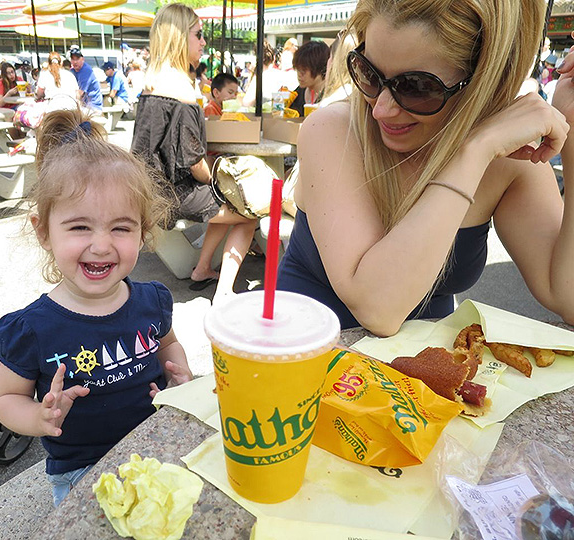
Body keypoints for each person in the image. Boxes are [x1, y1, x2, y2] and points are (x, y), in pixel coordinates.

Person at [277, 0, 574, 336]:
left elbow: (566, 294)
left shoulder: (506, 154)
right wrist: (473, 152)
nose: (381, 110)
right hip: (301, 362)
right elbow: (378, 308)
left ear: (482, 83)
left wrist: (572, 129)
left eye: (416, 88)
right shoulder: (332, 130)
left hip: (420, 379)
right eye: (369, 73)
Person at [0, 107, 193, 506]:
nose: (101, 245)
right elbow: (5, 400)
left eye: (121, 227)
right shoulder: (33, 329)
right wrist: (39, 419)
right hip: (82, 469)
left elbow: (167, 345)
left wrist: (180, 373)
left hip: (155, 445)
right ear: (44, 231)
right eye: (80, 226)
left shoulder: (152, 300)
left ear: (143, 233)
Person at [131, 3, 258, 304]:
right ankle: (225, 292)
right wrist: (222, 178)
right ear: (178, 38)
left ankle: (202, 268)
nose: (203, 42)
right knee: (248, 212)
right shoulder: (184, 94)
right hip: (177, 195)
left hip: (151, 191)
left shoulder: (150, 86)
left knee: (225, 206)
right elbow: (194, 164)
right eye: (198, 35)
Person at [288, 40, 329, 117]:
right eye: (297, 70)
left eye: (303, 71)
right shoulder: (297, 94)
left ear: (318, 69)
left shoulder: (330, 97)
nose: (299, 75)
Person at [241, 41, 286, 107]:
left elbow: (246, 103)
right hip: (276, 113)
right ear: (274, 58)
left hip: (260, 114)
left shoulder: (259, 77)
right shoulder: (279, 75)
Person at [68, 46, 103, 112]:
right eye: (73, 59)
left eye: (77, 59)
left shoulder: (86, 71)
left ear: (82, 59)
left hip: (93, 107)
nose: (75, 62)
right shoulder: (72, 71)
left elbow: (79, 94)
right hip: (84, 105)